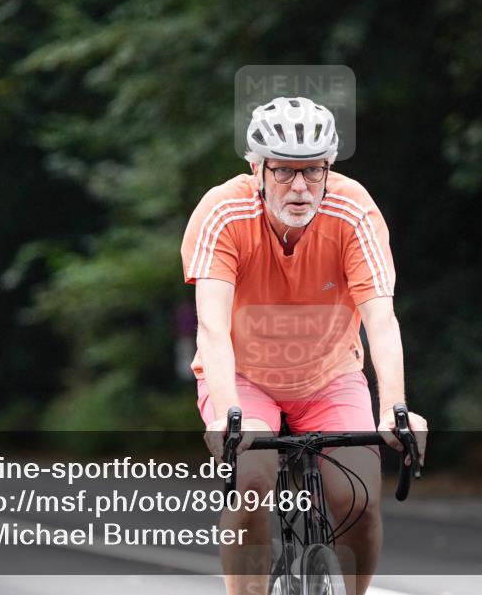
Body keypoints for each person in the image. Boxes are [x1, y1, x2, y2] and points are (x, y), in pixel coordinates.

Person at [181, 96, 428, 595]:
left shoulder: (353, 210)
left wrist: (395, 408)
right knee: (250, 481)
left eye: (313, 170)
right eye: (284, 171)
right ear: (257, 169)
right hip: (245, 379)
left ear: (328, 168)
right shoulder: (223, 212)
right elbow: (211, 327)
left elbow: (381, 319)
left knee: (359, 499)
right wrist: (226, 415)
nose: (300, 186)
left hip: (329, 376)